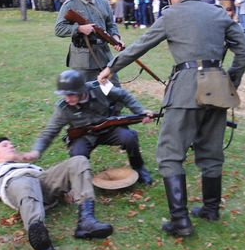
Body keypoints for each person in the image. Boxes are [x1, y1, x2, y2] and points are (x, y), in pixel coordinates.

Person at [97, 0, 245, 237]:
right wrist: (230, 81)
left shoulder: (171, 14)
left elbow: (139, 46)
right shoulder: (217, 13)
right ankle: (211, 209)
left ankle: (180, 222)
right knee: (211, 152)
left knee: (170, 154)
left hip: (184, 90)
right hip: (218, 87)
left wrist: (110, 68)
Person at [0, 137, 112, 250]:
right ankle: (39, 237)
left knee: (79, 160)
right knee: (26, 183)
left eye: (11, 144)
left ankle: (86, 219)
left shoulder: (29, 165)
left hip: (42, 182)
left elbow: (52, 180)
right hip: (16, 184)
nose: (11, 146)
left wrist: (64, 193)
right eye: (5, 145)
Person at [22, 70, 154, 185]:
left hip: (109, 129)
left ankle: (139, 168)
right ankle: (82, 185)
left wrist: (141, 111)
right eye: (65, 95)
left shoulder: (100, 87)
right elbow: (50, 132)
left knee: (129, 137)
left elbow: (124, 96)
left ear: (81, 90)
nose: (67, 99)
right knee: (77, 155)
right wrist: (36, 151)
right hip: (85, 136)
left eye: (71, 94)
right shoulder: (63, 108)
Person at [55, 0, 124, 85]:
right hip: (82, 60)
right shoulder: (70, 5)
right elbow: (59, 29)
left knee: (114, 91)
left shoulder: (103, 3)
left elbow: (111, 25)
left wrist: (116, 38)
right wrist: (79, 29)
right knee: (84, 95)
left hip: (104, 56)